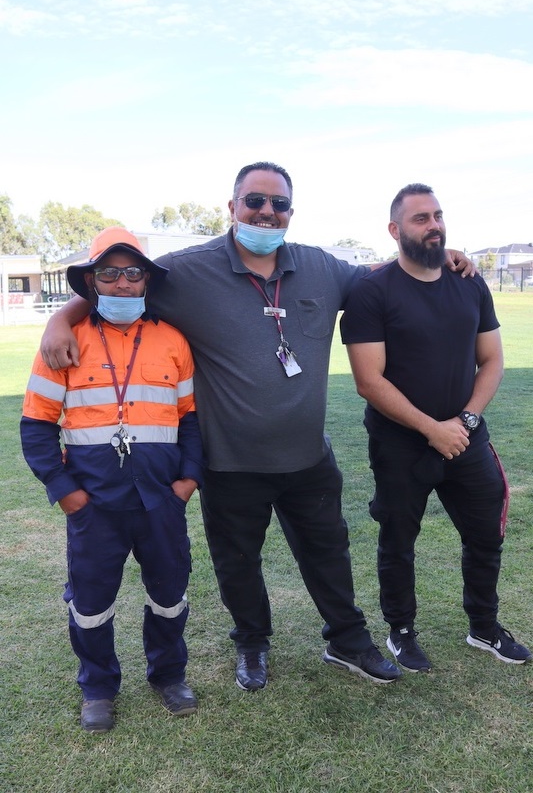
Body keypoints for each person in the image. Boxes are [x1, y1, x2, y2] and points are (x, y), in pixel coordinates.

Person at [39, 163, 474, 691]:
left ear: (291, 211)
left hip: (309, 457)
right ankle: (252, 643)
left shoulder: (322, 267)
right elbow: (120, 280)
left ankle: (348, 640)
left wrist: (444, 255)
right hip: (231, 462)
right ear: (232, 206)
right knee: (238, 563)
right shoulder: (189, 271)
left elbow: (388, 276)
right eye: (255, 201)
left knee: (329, 553)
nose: (267, 212)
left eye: (280, 204)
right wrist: (59, 318)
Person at [340, 183, 531, 673]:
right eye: (420, 218)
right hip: (401, 444)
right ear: (395, 229)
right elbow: (368, 380)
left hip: (466, 439)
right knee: (398, 540)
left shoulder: (468, 281)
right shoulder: (371, 292)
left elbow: (491, 362)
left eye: (438, 215)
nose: (434, 225)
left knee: (487, 534)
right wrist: (432, 429)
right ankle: (401, 630)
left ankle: (484, 628)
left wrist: (463, 422)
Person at [21, 227, 204, 733]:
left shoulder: (172, 340)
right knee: (91, 603)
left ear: (146, 279)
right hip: (93, 504)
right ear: (92, 281)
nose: (122, 284)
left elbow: (189, 418)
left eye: (132, 273)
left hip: (160, 501)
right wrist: (66, 494)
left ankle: (168, 676)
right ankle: (98, 686)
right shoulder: (63, 342)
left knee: (170, 595)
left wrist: (188, 481)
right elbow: (36, 426)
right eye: (109, 273)